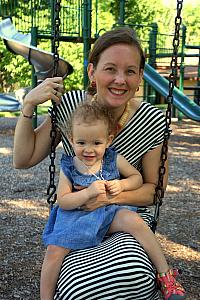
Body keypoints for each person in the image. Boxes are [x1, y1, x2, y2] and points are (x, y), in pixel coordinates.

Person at [13, 27, 185, 300]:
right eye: (110, 69)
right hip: (77, 216)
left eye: (130, 71)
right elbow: (23, 159)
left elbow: (155, 190)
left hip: (126, 215)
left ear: (140, 76)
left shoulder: (152, 120)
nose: (120, 79)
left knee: (129, 273)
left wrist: (105, 198)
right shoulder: (71, 107)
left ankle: (163, 280)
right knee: (78, 287)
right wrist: (29, 105)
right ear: (92, 72)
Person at [40, 100, 185, 300]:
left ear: (108, 141)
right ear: (72, 140)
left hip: (107, 213)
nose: (89, 150)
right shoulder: (69, 165)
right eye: (81, 143)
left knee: (134, 220)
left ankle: (165, 276)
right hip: (77, 218)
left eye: (96, 143)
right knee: (54, 251)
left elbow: (137, 178)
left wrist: (122, 185)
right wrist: (87, 193)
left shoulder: (112, 158)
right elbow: (63, 200)